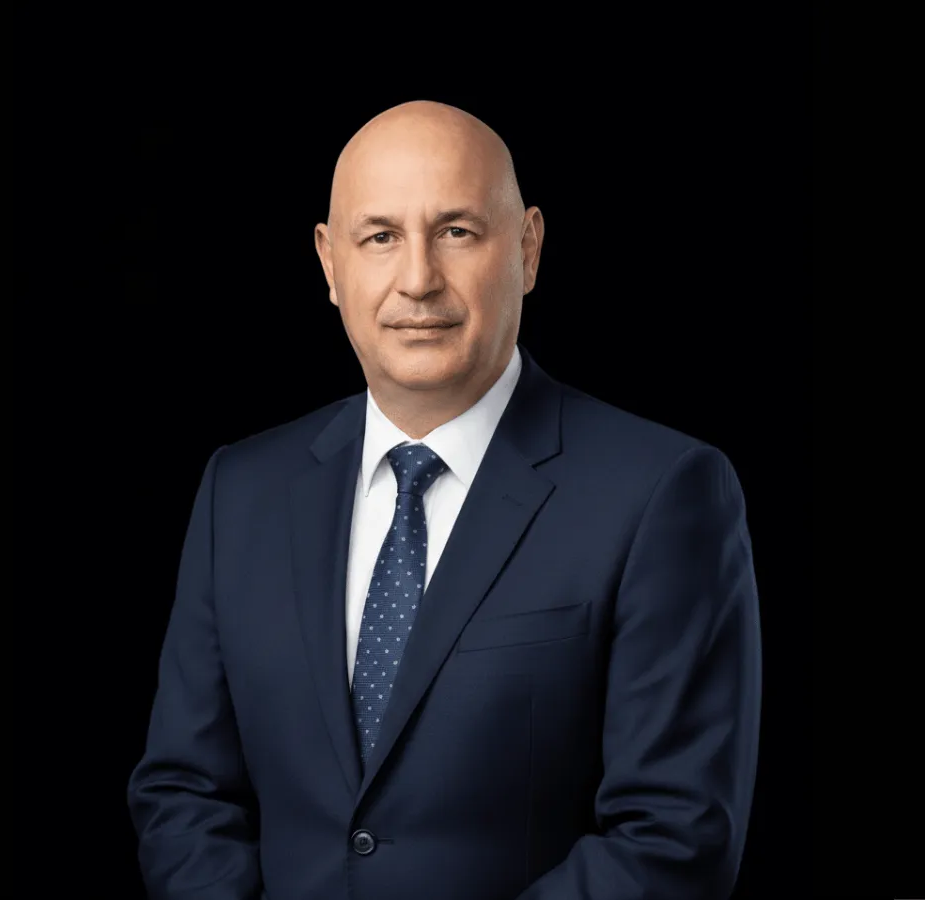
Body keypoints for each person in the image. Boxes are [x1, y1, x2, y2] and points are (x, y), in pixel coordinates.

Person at [126, 100, 762, 900]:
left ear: (528, 249)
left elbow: (674, 838)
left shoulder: (664, 494)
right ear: (329, 264)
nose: (418, 279)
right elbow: (184, 795)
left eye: (457, 231)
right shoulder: (240, 491)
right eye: (380, 236)